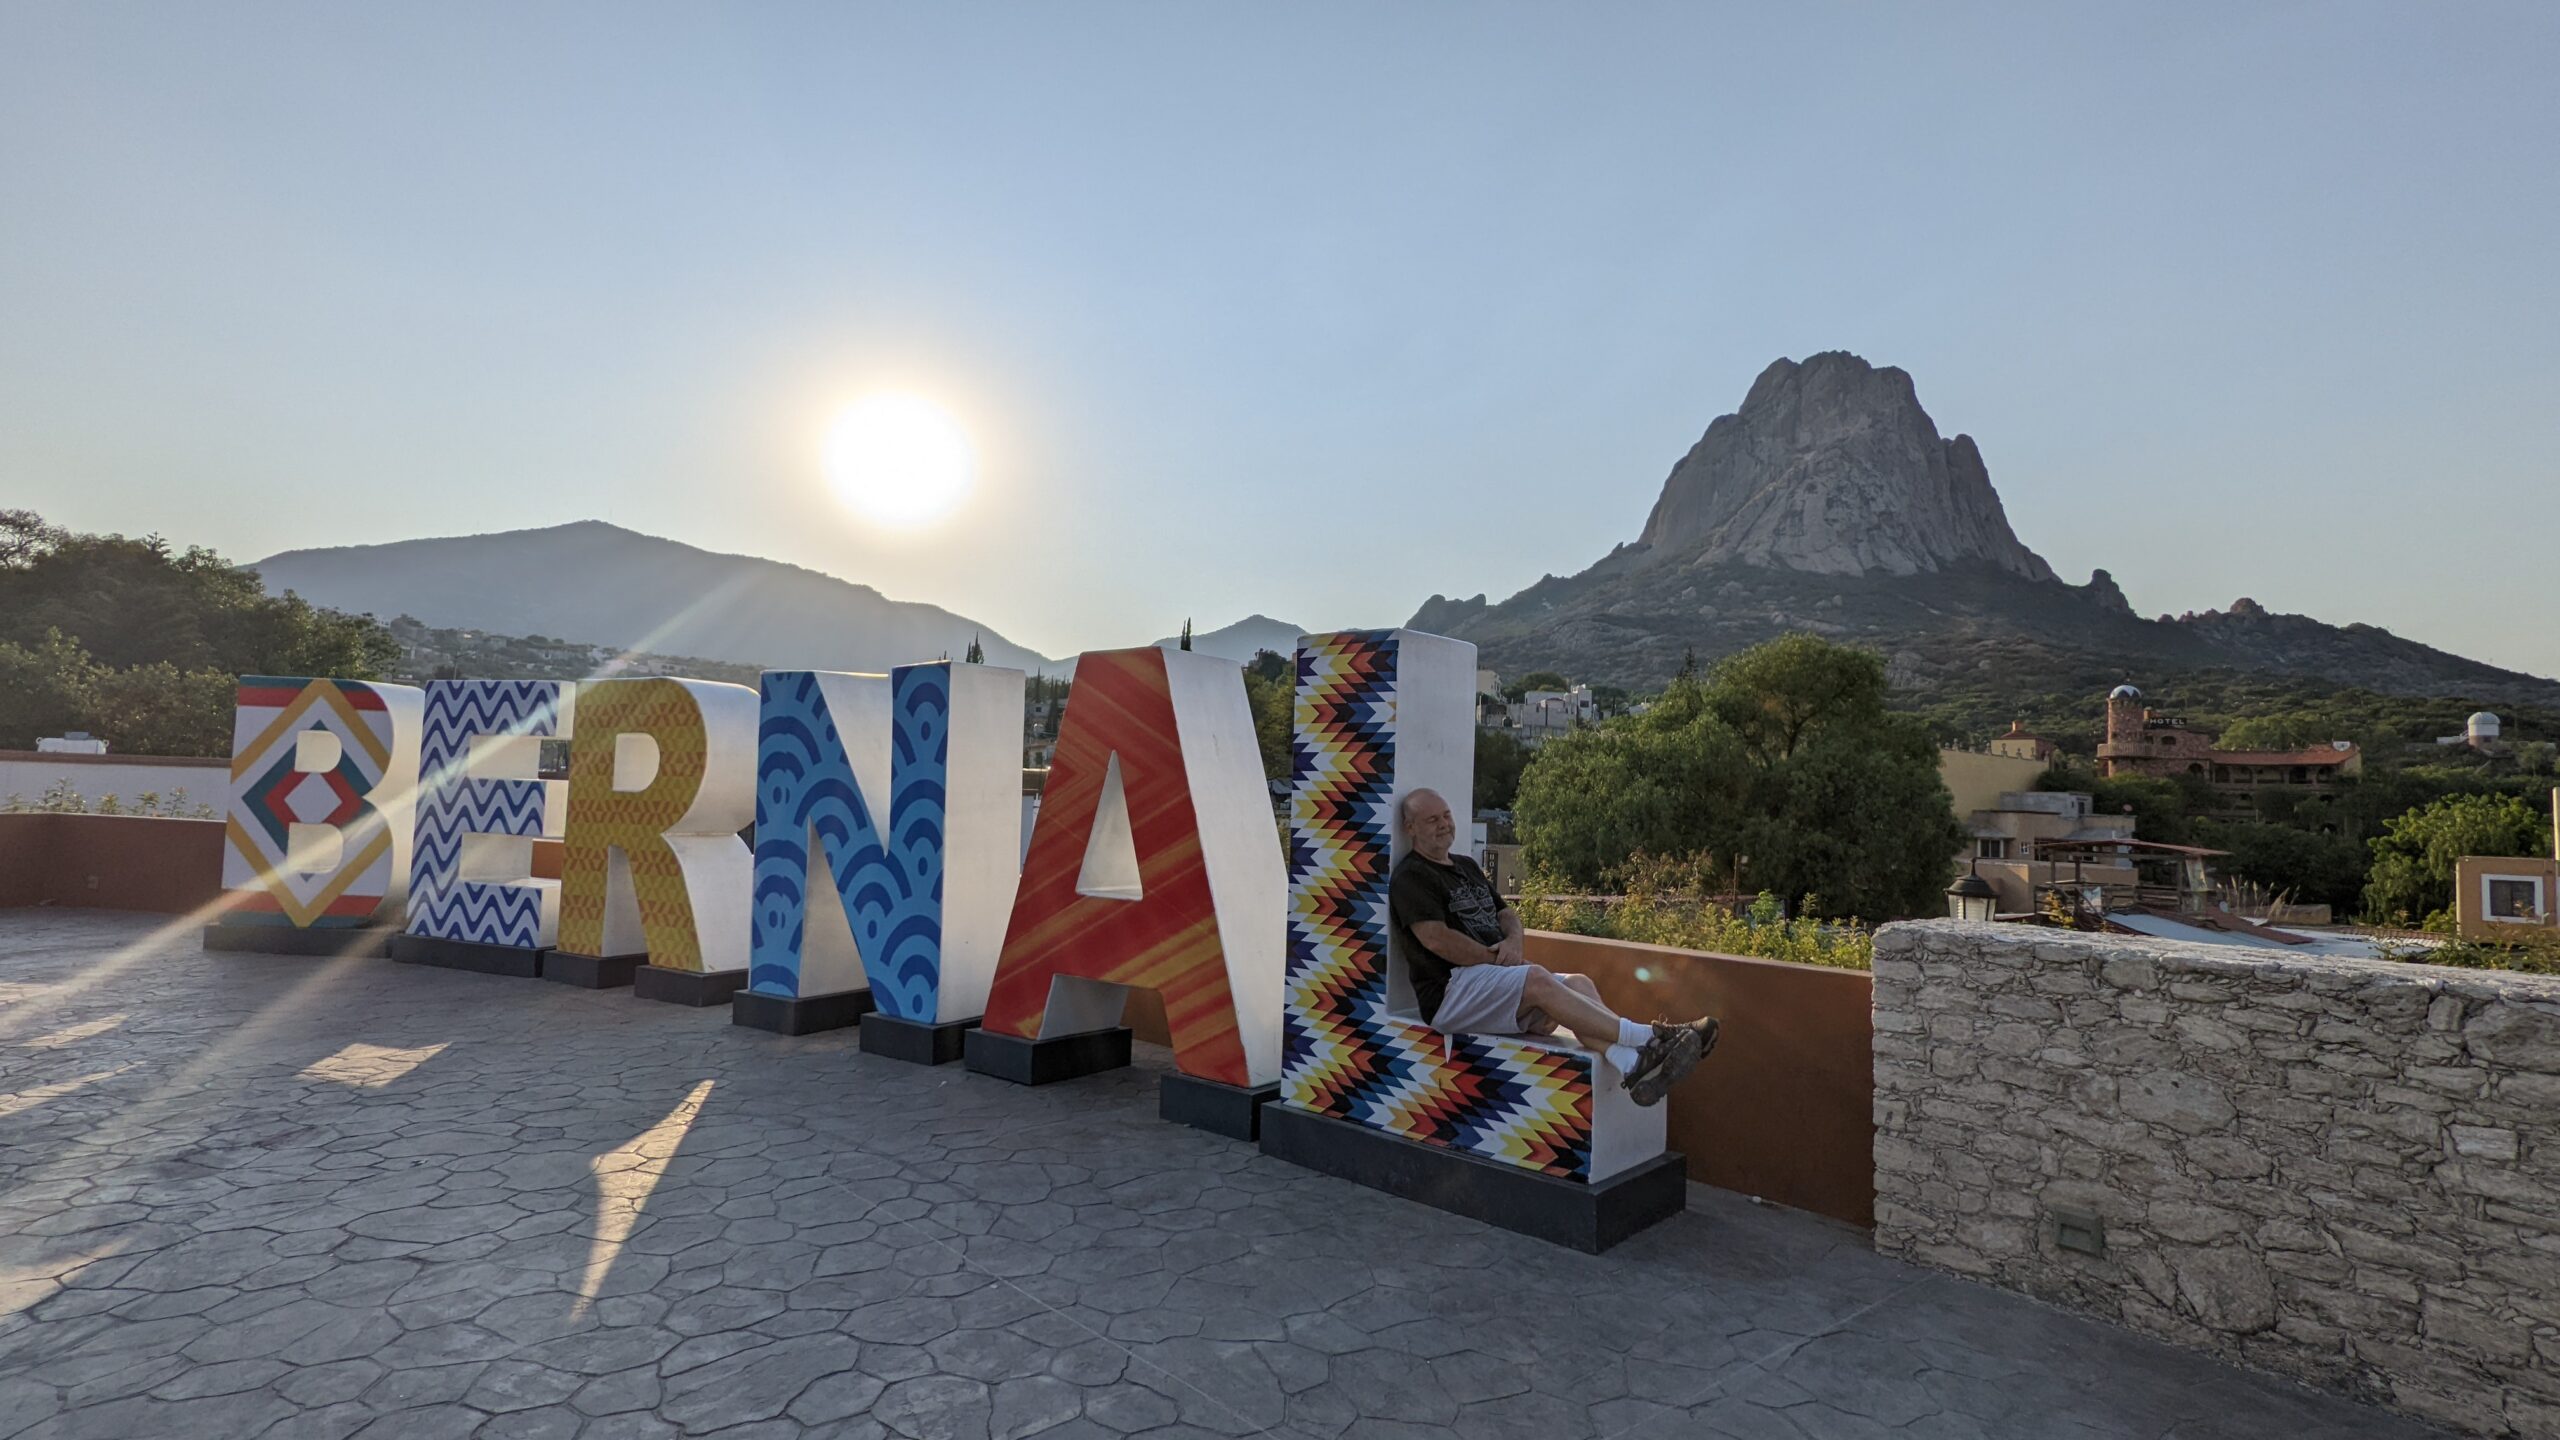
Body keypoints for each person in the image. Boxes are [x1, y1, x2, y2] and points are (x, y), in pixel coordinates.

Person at [1387, 788, 1718, 1106]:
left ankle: (1630, 1064)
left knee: (1578, 984)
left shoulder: (1466, 867)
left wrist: (1513, 943)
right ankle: (1652, 1037)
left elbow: (1506, 914)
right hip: (1451, 991)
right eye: (1432, 820)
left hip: (1490, 981)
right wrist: (1498, 959)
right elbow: (1435, 938)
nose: (1444, 824)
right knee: (1536, 979)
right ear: (1410, 828)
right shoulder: (1411, 876)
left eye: (1446, 815)